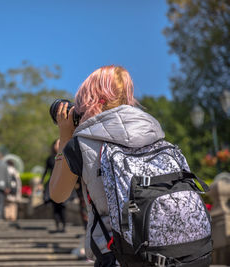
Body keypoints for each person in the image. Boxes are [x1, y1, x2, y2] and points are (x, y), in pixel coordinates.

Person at [49, 66, 161, 266]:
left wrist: (65, 138)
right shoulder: (154, 134)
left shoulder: (83, 144)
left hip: (117, 255)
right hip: (166, 249)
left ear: (88, 98)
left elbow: (57, 194)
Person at [41, 139, 67, 232]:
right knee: (55, 206)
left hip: (63, 183)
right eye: (57, 144)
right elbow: (45, 171)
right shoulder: (50, 158)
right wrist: (41, 182)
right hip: (53, 183)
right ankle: (57, 225)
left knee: (63, 206)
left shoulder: (65, 156)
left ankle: (63, 225)